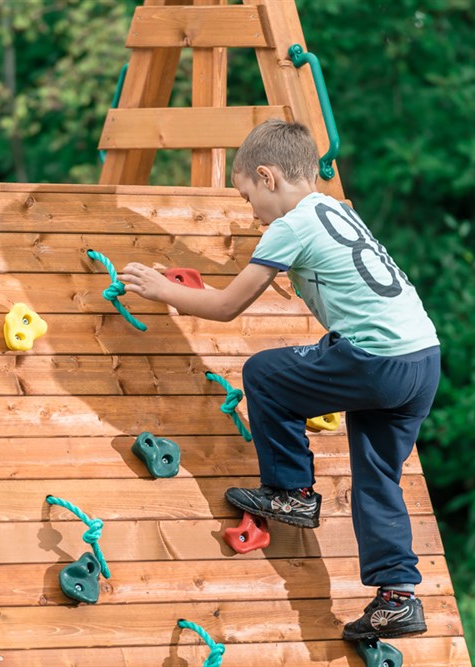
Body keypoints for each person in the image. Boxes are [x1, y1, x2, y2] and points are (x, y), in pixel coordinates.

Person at [118, 119, 440, 641]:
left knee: (264, 374)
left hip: (375, 359)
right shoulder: (335, 209)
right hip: (422, 358)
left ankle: (291, 492)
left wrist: (161, 289)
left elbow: (225, 306)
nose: (250, 212)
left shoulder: (288, 227)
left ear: (267, 178)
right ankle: (397, 598)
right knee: (378, 479)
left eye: (247, 196)